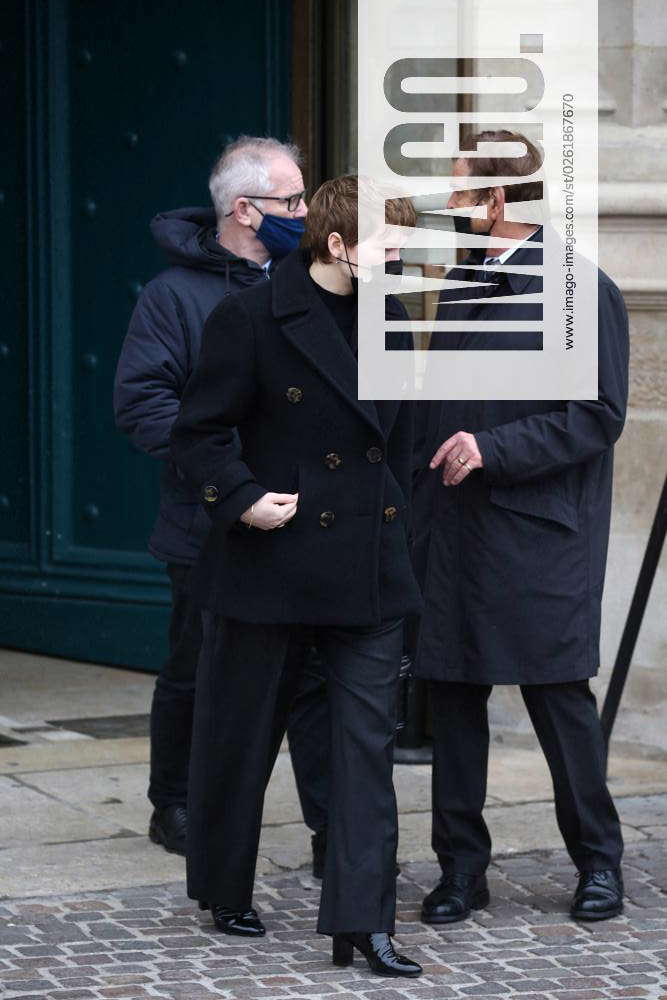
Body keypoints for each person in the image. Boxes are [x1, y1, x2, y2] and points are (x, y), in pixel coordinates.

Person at [170, 175, 424, 978]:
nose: (402, 260)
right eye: (390, 244)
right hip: (269, 563)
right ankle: (222, 887)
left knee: (364, 751)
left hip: (368, 572)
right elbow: (198, 434)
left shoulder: (388, 314)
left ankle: (364, 922)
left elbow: (401, 438)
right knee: (239, 739)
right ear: (338, 244)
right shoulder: (248, 316)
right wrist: (242, 501)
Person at [413, 130, 629, 926]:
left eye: (461, 190)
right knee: (455, 703)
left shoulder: (579, 287)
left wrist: (491, 449)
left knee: (558, 703)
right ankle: (459, 873)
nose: (449, 205)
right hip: (454, 533)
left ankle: (598, 865)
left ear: (498, 201)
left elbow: (596, 415)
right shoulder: (464, 282)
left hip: (537, 537)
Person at [114, 136, 329, 868]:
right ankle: (173, 803)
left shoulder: (316, 280)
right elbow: (143, 405)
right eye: (292, 201)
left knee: (312, 677)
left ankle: (332, 827)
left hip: (304, 516)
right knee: (197, 668)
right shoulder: (172, 296)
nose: (305, 212)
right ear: (245, 209)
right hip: (206, 520)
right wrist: (230, 484)